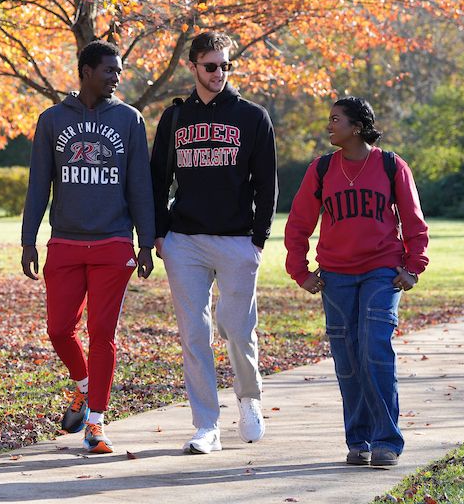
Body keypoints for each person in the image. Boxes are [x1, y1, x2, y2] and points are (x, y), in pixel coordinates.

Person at [21, 39, 157, 455]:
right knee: (59, 330)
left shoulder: (129, 120)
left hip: (114, 241)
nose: (117, 77)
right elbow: (38, 183)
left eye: (119, 71)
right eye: (109, 71)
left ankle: (96, 422)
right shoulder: (52, 120)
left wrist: (146, 241)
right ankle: (83, 385)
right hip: (64, 241)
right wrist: (28, 239)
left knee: (103, 334)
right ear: (85, 71)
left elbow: (140, 185)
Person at [149, 31, 277, 454]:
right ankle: (206, 425)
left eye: (225, 65)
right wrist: (159, 232)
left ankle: (249, 398)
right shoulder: (175, 118)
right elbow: (158, 177)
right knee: (194, 333)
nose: (219, 73)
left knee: (238, 330)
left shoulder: (253, 117)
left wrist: (258, 239)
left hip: (238, 240)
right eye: (211, 66)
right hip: (185, 241)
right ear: (193, 67)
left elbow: (266, 183)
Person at [283, 96, 429, 468]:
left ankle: (386, 441)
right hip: (336, 276)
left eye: (336, 120)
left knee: (374, 349)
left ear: (357, 127)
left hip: (382, 271)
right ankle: (359, 439)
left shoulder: (391, 166)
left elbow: (413, 221)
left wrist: (413, 267)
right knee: (347, 359)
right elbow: (299, 223)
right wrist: (300, 271)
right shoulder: (321, 169)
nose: (329, 126)